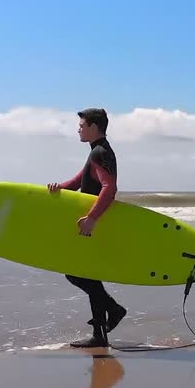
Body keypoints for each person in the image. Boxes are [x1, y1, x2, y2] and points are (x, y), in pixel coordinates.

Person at [48, 107, 128, 348]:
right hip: (95, 223)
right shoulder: (99, 151)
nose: (78, 129)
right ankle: (101, 334)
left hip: (93, 224)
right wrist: (59, 188)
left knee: (77, 272)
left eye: (82, 125)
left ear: (94, 127)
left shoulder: (100, 152)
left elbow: (109, 188)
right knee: (87, 274)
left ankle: (113, 311)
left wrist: (92, 218)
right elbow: (81, 180)